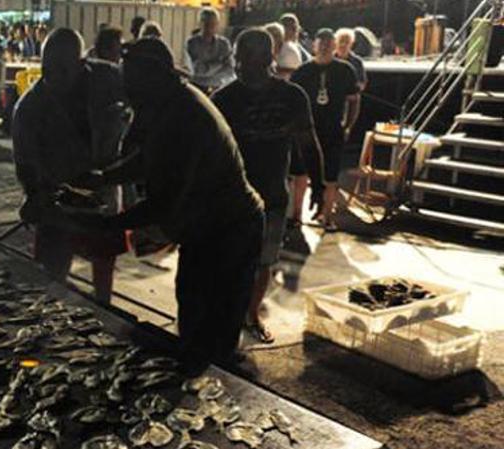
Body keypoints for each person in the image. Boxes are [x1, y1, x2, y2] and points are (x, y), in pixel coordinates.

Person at [74, 38, 264, 370]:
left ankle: (214, 389)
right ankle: (193, 374)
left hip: (231, 229)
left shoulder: (183, 113)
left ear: (155, 75)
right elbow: (147, 160)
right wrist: (103, 177)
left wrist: (104, 224)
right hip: (203, 227)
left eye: (132, 79)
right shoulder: (163, 102)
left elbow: (163, 203)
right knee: (191, 310)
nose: (127, 87)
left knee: (214, 330)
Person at [212, 28, 324, 344]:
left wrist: (317, 182)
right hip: (232, 199)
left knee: (263, 261)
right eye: (244, 56)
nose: (247, 62)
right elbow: (207, 151)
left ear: (269, 57)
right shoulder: (224, 99)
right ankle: (229, 317)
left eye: (252, 55)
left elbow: (308, 142)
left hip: (272, 197)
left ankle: (249, 316)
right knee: (232, 261)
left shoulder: (292, 96)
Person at [12, 28, 129, 304]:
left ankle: (103, 307)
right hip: (56, 198)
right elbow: (25, 159)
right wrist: (33, 194)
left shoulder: (110, 78)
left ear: (80, 63)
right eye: (47, 69)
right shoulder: (29, 107)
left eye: (62, 69)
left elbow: (143, 104)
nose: (53, 77)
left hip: (103, 189)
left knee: (103, 262)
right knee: (52, 278)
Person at [291, 28, 360, 230]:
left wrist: (348, 125)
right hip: (306, 130)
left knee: (330, 176)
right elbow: (292, 100)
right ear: (314, 46)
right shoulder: (302, 71)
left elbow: (355, 100)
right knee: (300, 173)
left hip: (332, 129)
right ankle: (296, 215)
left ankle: (327, 217)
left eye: (328, 45)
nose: (324, 48)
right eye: (321, 44)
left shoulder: (345, 70)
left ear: (334, 46)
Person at [184, 8, 235, 93]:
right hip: (197, 88)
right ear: (200, 23)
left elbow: (230, 70)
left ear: (217, 24)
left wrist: (207, 68)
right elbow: (197, 70)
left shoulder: (224, 44)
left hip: (218, 88)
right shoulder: (192, 43)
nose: (210, 27)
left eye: (213, 24)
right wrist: (220, 64)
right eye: (207, 23)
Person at [277, 14, 308, 79]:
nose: (294, 31)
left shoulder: (303, 52)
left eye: (295, 27)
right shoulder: (275, 50)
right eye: (289, 26)